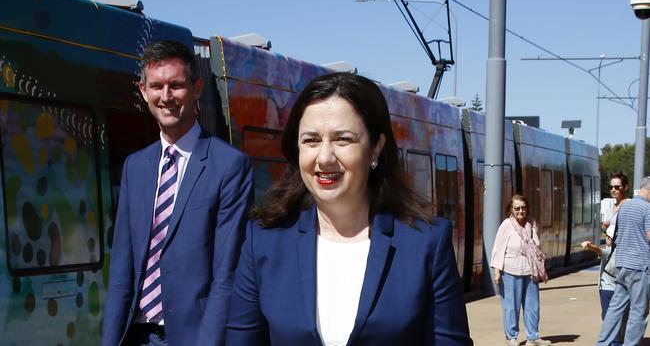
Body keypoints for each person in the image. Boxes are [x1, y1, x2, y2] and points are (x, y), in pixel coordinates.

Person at [226, 72, 472, 345]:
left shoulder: (427, 243)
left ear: (376, 148)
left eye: (343, 139)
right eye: (311, 140)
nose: (325, 157)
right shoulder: (264, 241)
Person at [102, 41, 254, 346]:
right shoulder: (136, 167)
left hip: (192, 337)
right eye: (157, 86)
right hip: (137, 336)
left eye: (176, 85)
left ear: (197, 88)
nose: (166, 97)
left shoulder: (229, 166)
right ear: (143, 91)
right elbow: (121, 268)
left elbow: (226, 276)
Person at [595, 176, 650, 346]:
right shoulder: (648, 209)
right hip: (640, 266)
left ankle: (602, 343)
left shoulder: (625, 207)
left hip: (622, 264)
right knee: (638, 311)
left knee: (615, 308)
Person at [491, 194, 551, 346]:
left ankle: (533, 337)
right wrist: (497, 271)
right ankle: (511, 337)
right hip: (510, 272)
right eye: (517, 208)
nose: (520, 211)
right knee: (511, 307)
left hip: (530, 271)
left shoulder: (531, 223)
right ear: (511, 210)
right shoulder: (506, 225)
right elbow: (498, 249)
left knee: (533, 307)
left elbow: (536, 243)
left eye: (523, 208)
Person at [581, 224, 624, 346]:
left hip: (606, 290)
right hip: (620, 290)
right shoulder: (623, 252)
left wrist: (589, 245)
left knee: (608, 316)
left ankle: (613, 342)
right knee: (616, 315)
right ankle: (616, 339)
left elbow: (598, 250)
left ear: (610, 239)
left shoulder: (609, 251)